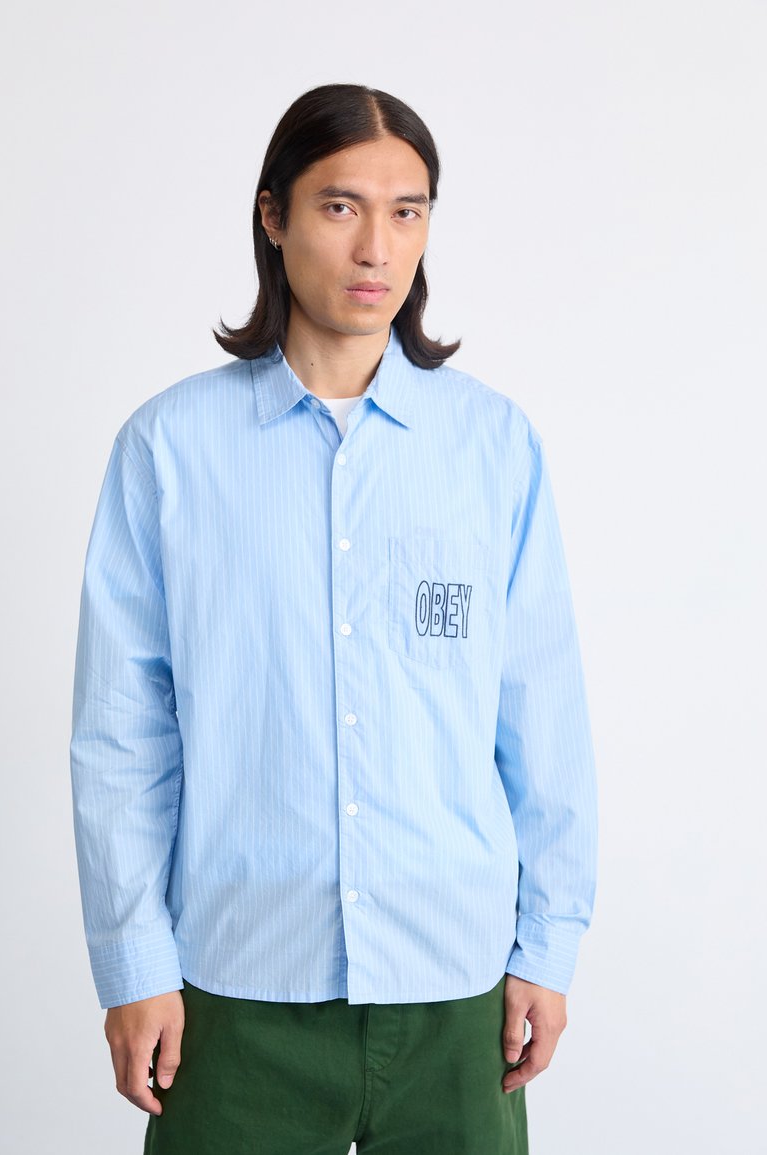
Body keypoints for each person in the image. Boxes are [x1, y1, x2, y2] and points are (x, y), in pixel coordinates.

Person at [70, 83, 598, 1154]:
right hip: (232, 993)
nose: (376, 247)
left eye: (407, 211)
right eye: (340, 206)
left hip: (457, 993)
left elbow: (539, 713)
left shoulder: (492, 447)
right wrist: (132, 964)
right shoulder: (168, 450)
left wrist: (546, 945)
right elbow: (123, 731)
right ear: (272, 216)